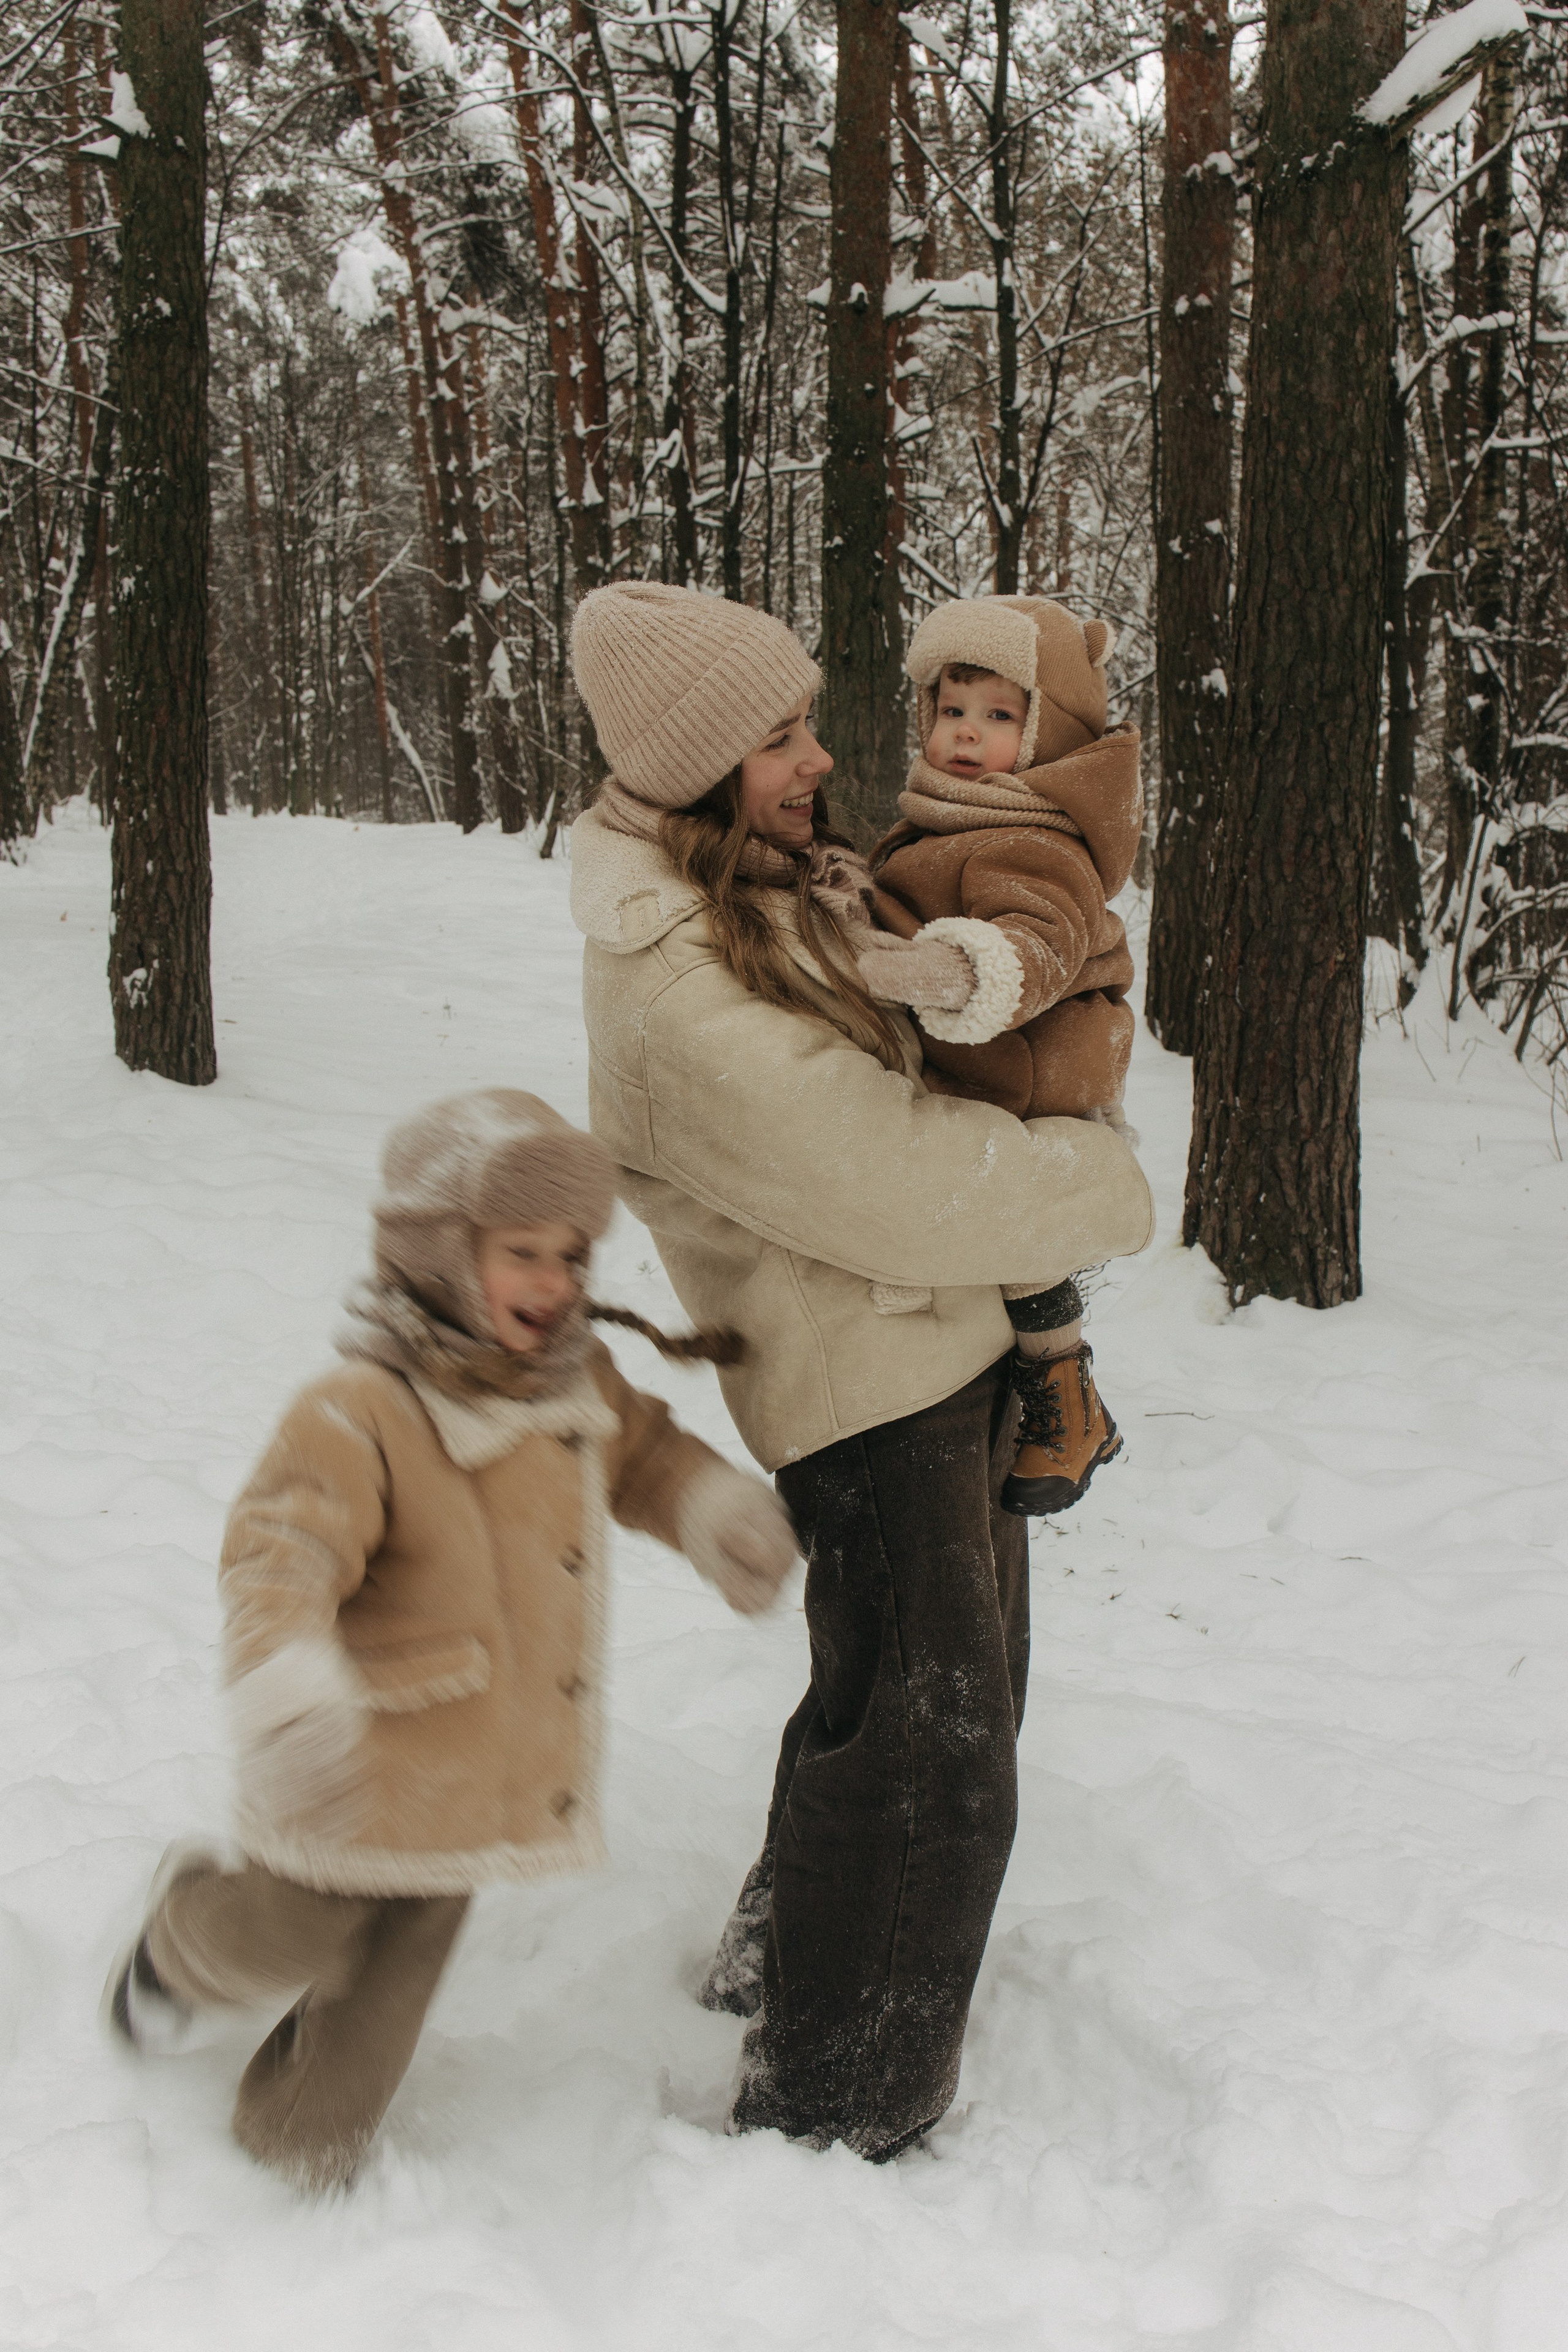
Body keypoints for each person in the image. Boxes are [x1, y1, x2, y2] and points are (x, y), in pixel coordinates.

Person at [567, 581, 1153, 2160]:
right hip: (863, 1385)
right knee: (926, 1764)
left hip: (935, 1347)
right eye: (776, 736)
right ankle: (833, 2113)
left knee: (903, 1703)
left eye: (812, 719)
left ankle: (785, 1959)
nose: (820, 759)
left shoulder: (764, 886)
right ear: (694, 767)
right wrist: (1101, 1182)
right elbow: (896, 1176)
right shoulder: (674, 985)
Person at [103, 1088, 797, 2192]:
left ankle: (295, 2157)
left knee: (382, 2000)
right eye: (523, 1252)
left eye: (572, 1255)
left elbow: (647, 1457)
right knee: (289, 1933)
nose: (557, 1282)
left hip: (466, 1789)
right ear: (437, 1251)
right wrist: (286, 1693)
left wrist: (712, 1511)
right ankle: (184, 1935)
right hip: (347, 1766)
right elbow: (278, 1559)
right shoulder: (362, 1410)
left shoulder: (580, 1383)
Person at [854, 595, 1144, 1517]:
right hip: (986, 1059)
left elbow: (1042, 941)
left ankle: (1069, 1396)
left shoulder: (1036, 833)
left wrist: (941, 972)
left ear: (1045, 732)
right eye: (951, 710)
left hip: (1032, 1065)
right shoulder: (945, 816)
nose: (965, 735)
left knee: (1011, 1225)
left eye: (998, 715)